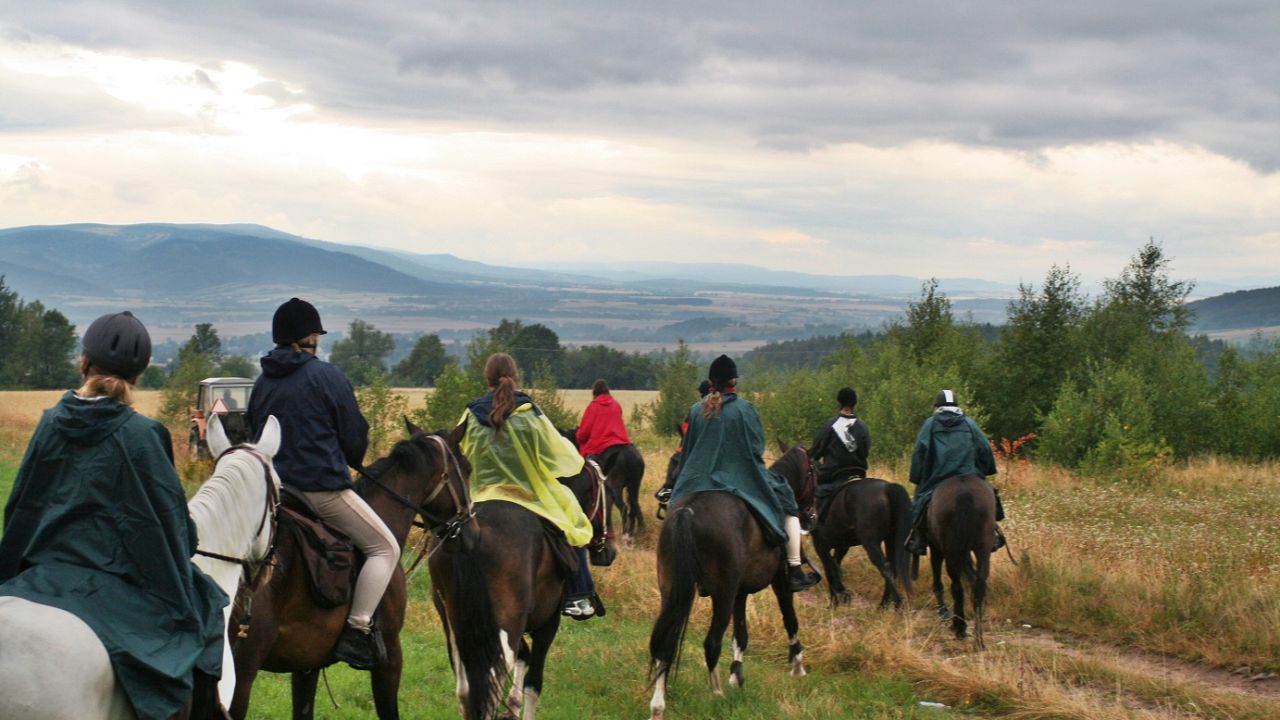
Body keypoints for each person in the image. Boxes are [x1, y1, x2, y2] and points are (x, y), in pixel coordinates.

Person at [0, 311, 228, 720]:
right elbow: (169, 524)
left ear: (84, 363)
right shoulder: (144, 434)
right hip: (116, 585)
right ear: (137, 377)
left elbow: (21, 508)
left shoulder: (50, 422)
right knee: (206, 605)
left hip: (43, 574)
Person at [247, 298, 398, 670]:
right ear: (309, 337)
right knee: (385, 549)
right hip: (321, 492)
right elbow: (354, 439)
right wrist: (350, 458)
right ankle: (356, 628)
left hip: (276, 495)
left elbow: (254, 434)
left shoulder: (262, 382)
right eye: (316, 333)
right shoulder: (326, 376)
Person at [457, 353, 600, 618]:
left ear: (486, 378)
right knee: (573, 523)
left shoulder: (470, 414)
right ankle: (577, 595)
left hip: (480, 495)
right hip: (529, 495)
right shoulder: (528, 412)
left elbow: (459, 454)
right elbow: (556, 453)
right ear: (516, 375)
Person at [669, 355, 821, 591]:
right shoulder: (745, 409)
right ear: (734, 381)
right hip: (737, 477)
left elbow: (687, 452)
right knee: (787, 501)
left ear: (711, 382)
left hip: (696, 481)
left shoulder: (696, 411)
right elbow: (755, 448)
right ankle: (794, 568)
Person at [904, 389, 1005, 555]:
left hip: (937, 479)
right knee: (990, 496)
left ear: (936, 406)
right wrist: (987, 470)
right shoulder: (969, 423)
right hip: (969, 474)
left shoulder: (930, 424)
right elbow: (984, 447)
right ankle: (993, 534)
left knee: (919, 502)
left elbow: (920, 451)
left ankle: (918, 539)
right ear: (956, 406)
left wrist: (916, 477)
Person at [807, 387, 872, 522]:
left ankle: (814, 524)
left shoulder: (830, 425)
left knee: (814, 496)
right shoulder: (863, 427)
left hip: (834, 477)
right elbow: (865, 452)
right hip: (858, 474)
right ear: (855, 404)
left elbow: (816, 452)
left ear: (839, 403)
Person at [654, 379, 713, 506]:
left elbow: (686, 429)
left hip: (695, 450)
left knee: (674, 460)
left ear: (701, 393)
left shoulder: (696, 409)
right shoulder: (723, 405)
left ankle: (668, 489)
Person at [575, 379, 631, 475]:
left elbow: (584, 433)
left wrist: (578, 437)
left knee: (586, 470)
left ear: (594, 392)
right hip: (622, 443)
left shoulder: (593, 406)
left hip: (601, 446)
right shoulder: (616, 404)